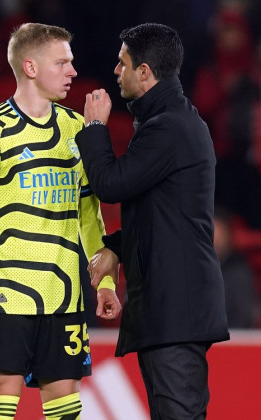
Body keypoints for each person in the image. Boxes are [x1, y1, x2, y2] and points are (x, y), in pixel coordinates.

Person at [0, 23, 120, 420]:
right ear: (30, 66)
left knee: (66, 411)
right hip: (5, 297)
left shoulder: (76, 129)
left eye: (72, 62)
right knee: (0, 407)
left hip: (63, 295)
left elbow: (88, 213)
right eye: (62, 62)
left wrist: (106, 280)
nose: (72, 71)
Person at [75, 23, 230, 419]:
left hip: (175, 309)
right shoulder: (171, 121)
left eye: (123, 63)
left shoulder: (169, 127)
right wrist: (115, 249)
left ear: (144, 72)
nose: (115, 71)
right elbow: (164, 216)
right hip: (174, 307)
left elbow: (109, 184)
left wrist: (94, 128)